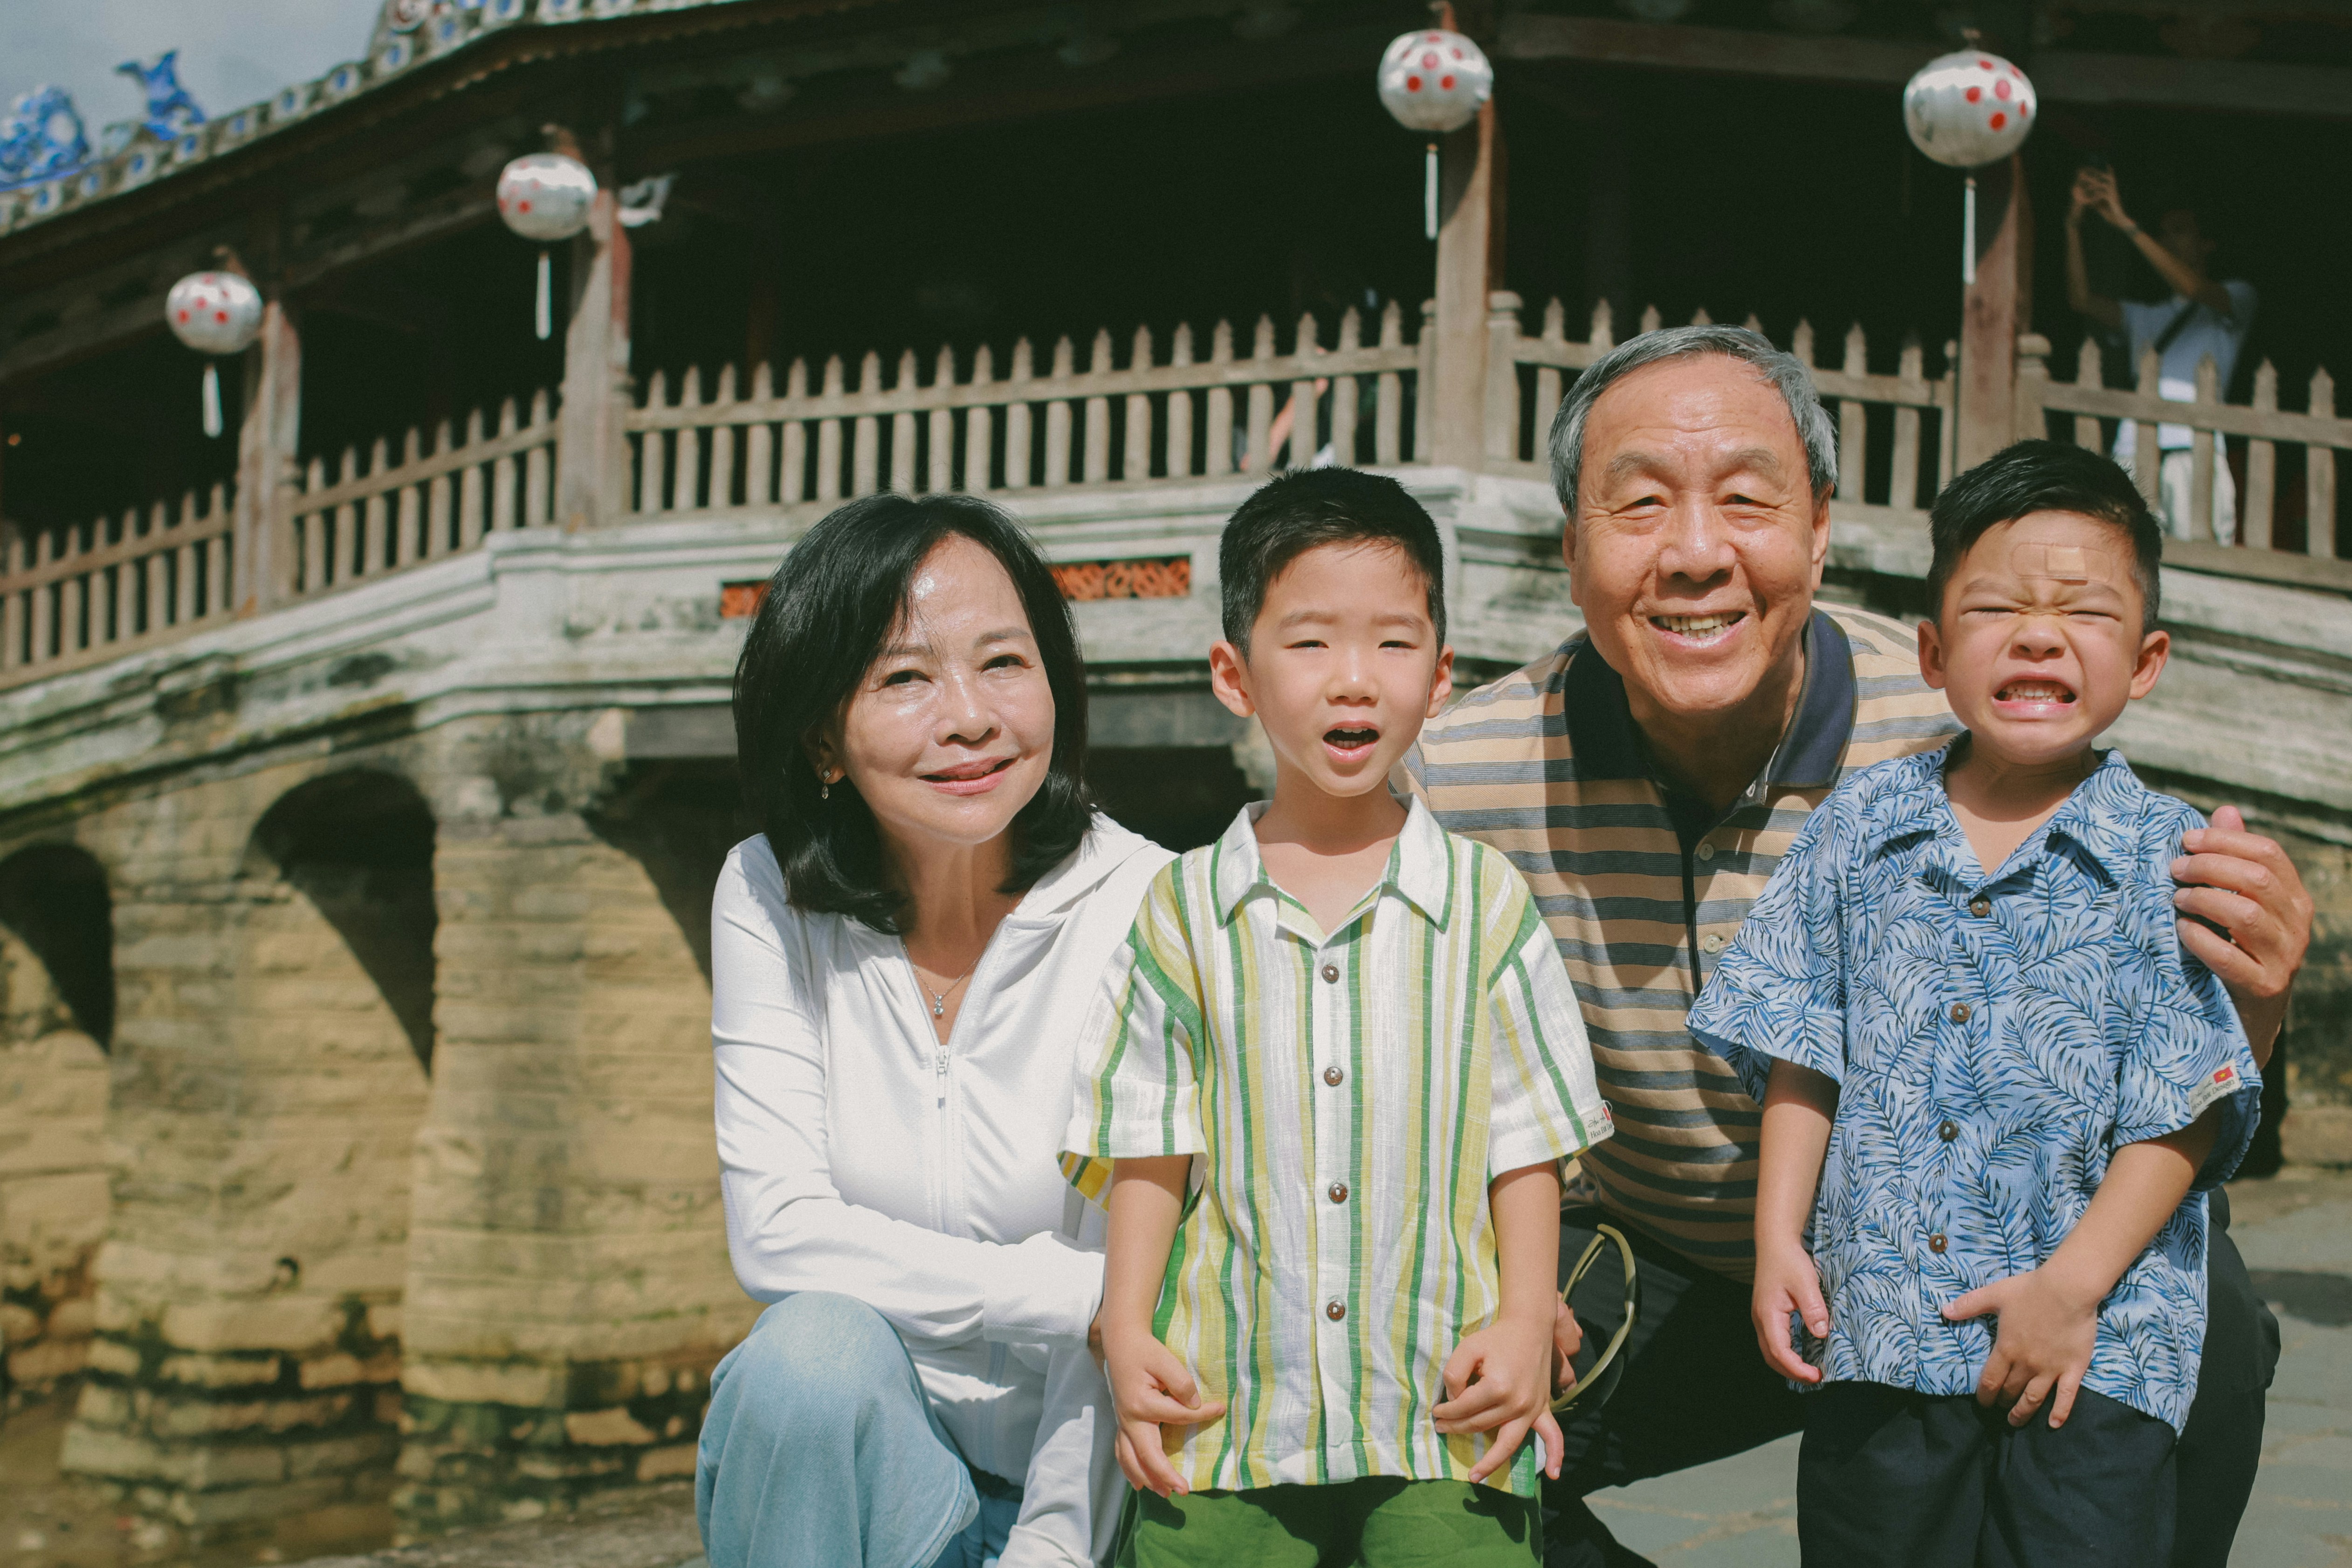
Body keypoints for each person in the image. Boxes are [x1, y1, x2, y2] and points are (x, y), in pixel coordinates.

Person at [1403, 324, 2314, 1568]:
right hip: (1654, 1254)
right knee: (1417, 1419)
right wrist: (1491, 1282)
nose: (1694, 553)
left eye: (1744, 499)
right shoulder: (1456, 777)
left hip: (1968, 1255)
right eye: (1639, 503)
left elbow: (2157, 1032)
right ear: (1570, 546)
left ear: (1820, 528)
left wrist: (2260, 986)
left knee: (2205, 1322)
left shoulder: (1969, 722)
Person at [1689, 440, 2263, 1566]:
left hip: (2092, 1349)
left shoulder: (2170, 855)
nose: (2038, 636)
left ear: (2145, 660)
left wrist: (2069, 1288)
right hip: (1884, 1331)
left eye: (2084, 613)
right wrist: (1775, 1236)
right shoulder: (1858, 827)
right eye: (1995, 607)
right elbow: (1804, 1045)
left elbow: (2184, 1103)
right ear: (1932, 650)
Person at [1064, 468, 1614, 1566]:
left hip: (1439, 1401)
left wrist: (1523, 1319)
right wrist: (1125, 1323)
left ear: (1441, 675)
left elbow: (1526, 1141)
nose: (1353, 680)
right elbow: (1147, 1139)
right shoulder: (1182, 909)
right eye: (1310, 642)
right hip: (1225, 1404)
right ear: (1235, 675)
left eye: (1393, 644)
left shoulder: (1485, 904)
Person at [698, 493, 1174, 1568]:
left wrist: (1051, 1548)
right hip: (876, 1487)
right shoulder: (767, 893)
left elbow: (1137, 1303)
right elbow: (776, 1230)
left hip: (1101, 1496)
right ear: (822, 734)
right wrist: (1074, 1294)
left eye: (1003, 662)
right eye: (904, 677)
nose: (969, 717)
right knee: (806, 1356)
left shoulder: (1154, 909)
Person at [2066, 166, 2257, 543]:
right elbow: (2081, 299)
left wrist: (2127, 225)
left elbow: (2194, 288)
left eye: (2180, 231)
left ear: (2208, 244)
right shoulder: (2147, 317)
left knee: (2198, 564)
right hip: (2134, 450)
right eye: (2164, 233)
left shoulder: (2237, 298)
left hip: (2194, 452)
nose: (2169, 240)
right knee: (2126, 559)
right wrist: (2073, 224)